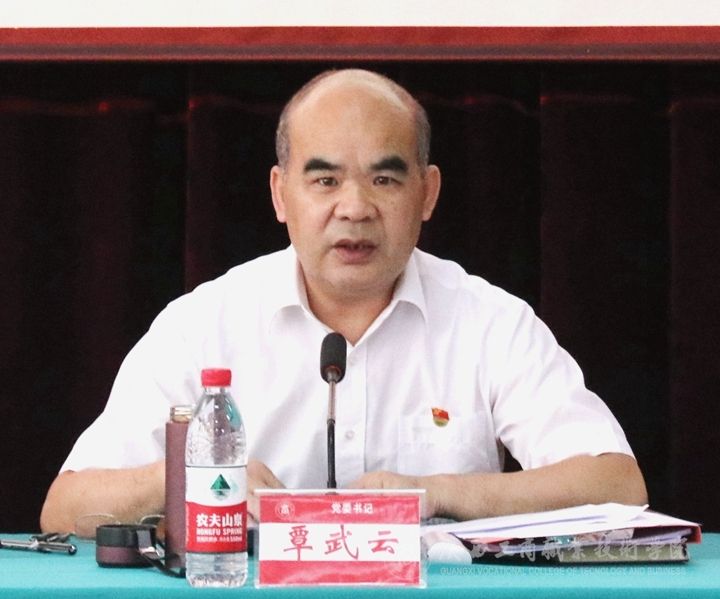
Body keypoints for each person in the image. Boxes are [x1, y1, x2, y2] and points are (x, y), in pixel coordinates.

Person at [40, 69, 647, 534]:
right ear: (281, 195)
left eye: (384, 179)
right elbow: (65, 508)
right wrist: (194, 477)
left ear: (427, 193)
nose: (354, 208)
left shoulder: (490, 322)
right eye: (325, 180)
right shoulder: (203, 324)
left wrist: (438, 494)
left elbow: (617, 486)